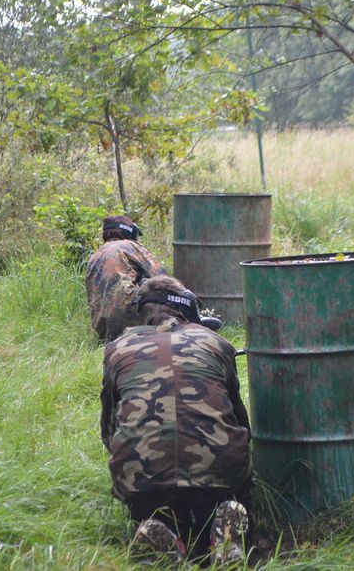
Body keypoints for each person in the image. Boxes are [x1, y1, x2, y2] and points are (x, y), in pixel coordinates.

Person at [100, 275, 252, 565]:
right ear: (186, 307)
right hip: (219, 475)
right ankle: (221, 528)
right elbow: (240, 421)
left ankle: (158, 528)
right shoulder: (215, 342)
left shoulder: (118, 348)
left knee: (152, 502)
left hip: (144, 482)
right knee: (221, 491)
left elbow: (108, 429)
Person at [86, 215, 166, 342]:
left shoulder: (94, 257)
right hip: (132, 323)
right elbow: (162, 277)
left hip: (104, 330)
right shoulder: (130, 246)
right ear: (130, 232)